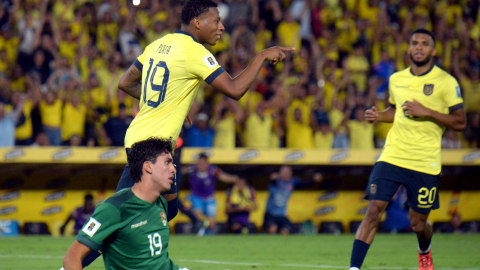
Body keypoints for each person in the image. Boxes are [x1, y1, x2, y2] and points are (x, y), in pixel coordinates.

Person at [348, 29, 466, 270]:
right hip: (393, 155)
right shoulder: (396, 79)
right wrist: (379, 116)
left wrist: (429, 112)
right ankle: (354, 268)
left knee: (418, 224)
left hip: (424, 161)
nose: (419, 47)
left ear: (433, 51)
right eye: (415, 43)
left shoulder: (446, 82)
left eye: (425, 44)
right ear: (409, 48)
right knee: (373, 210)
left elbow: (460, 121)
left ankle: (424, 249)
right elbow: (396, 111)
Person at [63, 137, 189, 270]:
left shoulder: (161, 204)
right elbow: (72, 259)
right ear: (148, 167)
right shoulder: (113, 208)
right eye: (167, 162)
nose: (173, 170)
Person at [184, 153, 238, 234]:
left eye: (203, 163)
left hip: (209, 199)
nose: (201, 165)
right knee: (198, 217)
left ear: (207, 163)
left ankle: (209, 237)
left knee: (211, 223)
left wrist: (233, 179)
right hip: (196, 197)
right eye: (199, 162)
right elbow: (179, 172)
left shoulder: (213, 170)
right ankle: (199, 234)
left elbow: (223, 177)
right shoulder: (192, 169)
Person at [263, 165, 322, 235]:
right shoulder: (275, 181)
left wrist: (314, 180)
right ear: (280, 173)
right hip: (270, 214)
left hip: (282, 215)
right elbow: (270, 179)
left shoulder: (292, 182)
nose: (287, 174)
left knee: (285, 231)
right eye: (285, 172)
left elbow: (304, 184)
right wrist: (272, 177)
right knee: (272, 229)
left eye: (288, 172)